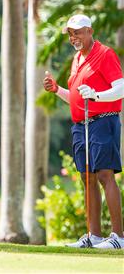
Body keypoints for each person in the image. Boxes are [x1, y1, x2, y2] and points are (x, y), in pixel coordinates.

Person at [43, 14, 124, 249]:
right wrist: (57, 89)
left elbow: (120, 88)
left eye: (77, 32)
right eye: (70, 33)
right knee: (87, 177)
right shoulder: (77, 59)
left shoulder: (105, 54)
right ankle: (94, 236)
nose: (73, 37)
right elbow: (77, 98)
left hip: (103, 121)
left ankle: (118, 237)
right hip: (81, 125)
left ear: (90, 31)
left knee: (105, 175)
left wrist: (97, 95)